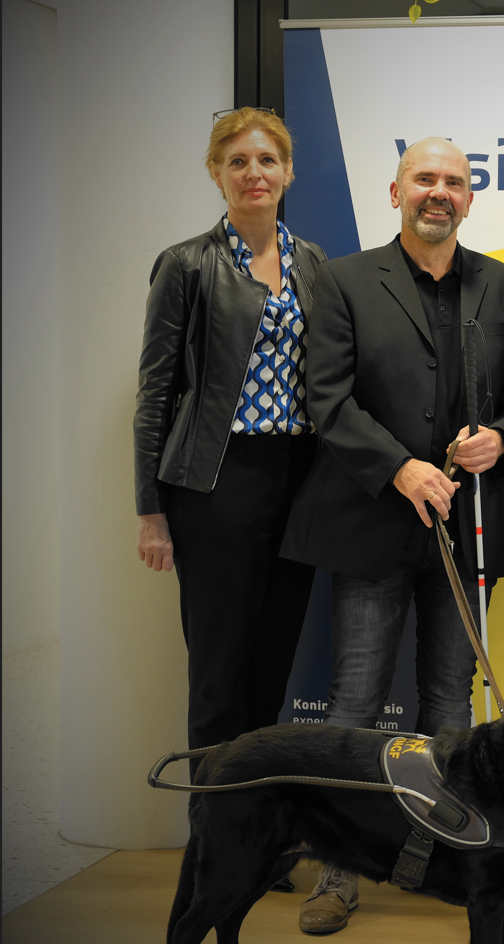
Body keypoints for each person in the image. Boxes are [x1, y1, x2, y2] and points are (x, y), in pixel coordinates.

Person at [279, 136, 504, 933]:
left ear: (471, 198)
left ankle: (446, 859)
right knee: (356, 701)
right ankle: (338, 872)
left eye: (455, 182)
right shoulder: (345, 279)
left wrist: (503, 437)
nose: (440, 192)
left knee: (447, 706)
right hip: (370, 521)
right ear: (395, 192)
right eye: (424, 179)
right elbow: (325, 397)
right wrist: (400, 468)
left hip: (464, 529)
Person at [134, 106, 326, 788]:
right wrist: (151, 511)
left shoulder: (314, 264)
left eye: (267, 160)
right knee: (219, 674)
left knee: (272, 667)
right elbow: (155, 394)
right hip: (214, 485)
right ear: (216, 174)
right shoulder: (186, 265)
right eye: (238, 161)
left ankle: (260, 828)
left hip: (297, 483)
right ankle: (215, 833)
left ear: (288, 171)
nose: (254, 173)